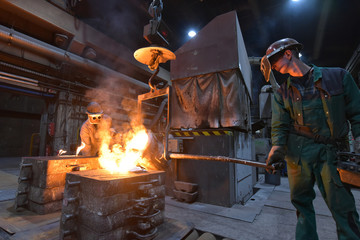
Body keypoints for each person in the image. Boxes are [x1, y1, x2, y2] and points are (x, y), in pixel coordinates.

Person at [260, 38, 360, 239]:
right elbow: (280, 125)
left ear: (288, 54)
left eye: (275, 64)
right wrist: (277, 148)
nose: (276, 69)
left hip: (332, 152)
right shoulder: (282, 92)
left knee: (342, 205)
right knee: (302, 205)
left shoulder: (338, 77)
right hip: (298, 155)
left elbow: (357, 112)